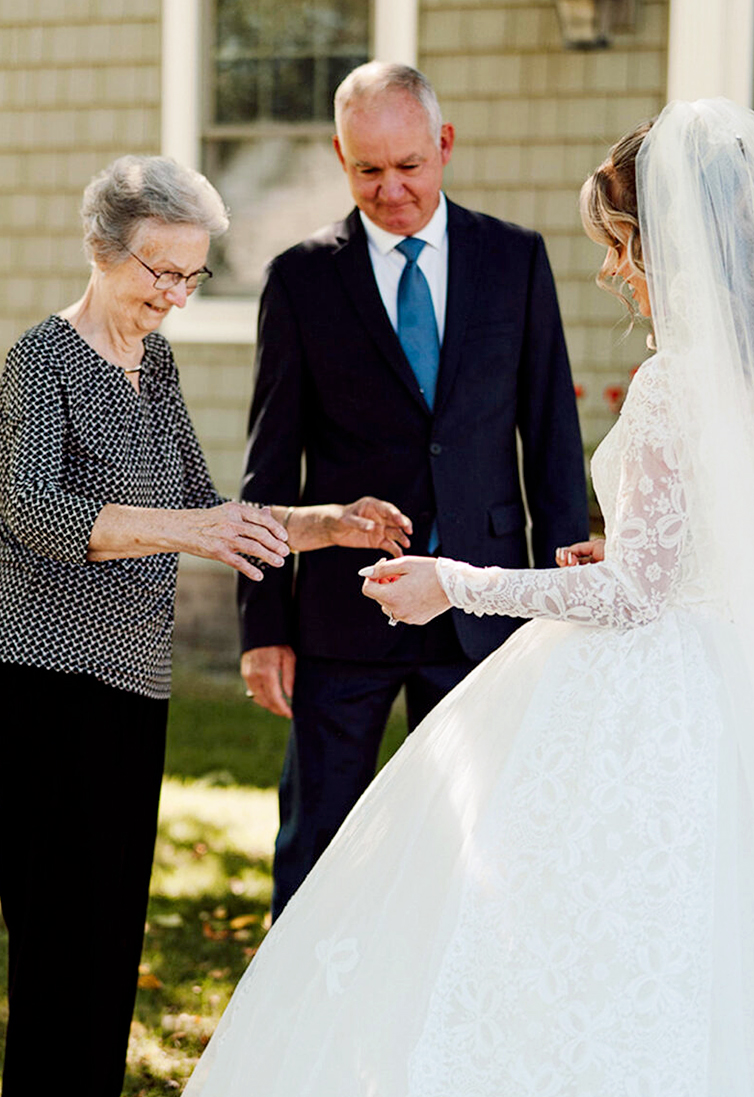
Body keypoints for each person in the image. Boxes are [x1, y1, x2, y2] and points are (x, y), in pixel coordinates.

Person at [137, 100, 754, 1097]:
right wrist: (639, 558)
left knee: (577, 972)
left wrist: (458, 581)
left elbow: (637, 598)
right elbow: (710, 551)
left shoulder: (674, 381)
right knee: (742, 974)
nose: (617, 269)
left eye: (625, 245)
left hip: (657, 693)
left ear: (667, 244)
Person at [0, 153, 412, 1097]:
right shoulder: (43, 358)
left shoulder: (151, 369)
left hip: (129, 680)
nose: (171, 295)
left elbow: (209, 508)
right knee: (58, 936)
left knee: (112, 933)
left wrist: (326, 521)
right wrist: (188, 530)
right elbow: (32, 512)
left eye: (190, 278)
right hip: (39, 675)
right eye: (157, 273)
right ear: (103, 250)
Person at [236, 62, 587, 918]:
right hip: (340, 617)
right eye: (368, 170)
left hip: (484, 603)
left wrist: (564, 590)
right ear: (340, 157)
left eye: (409, 165)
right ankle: (301, 1025)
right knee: (317, 840)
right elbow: (270, 468)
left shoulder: (516, 259)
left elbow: (549, 436)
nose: (391, 189)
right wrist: (264, 627)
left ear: (445, 145)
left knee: (482, 837)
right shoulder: (302, 279)